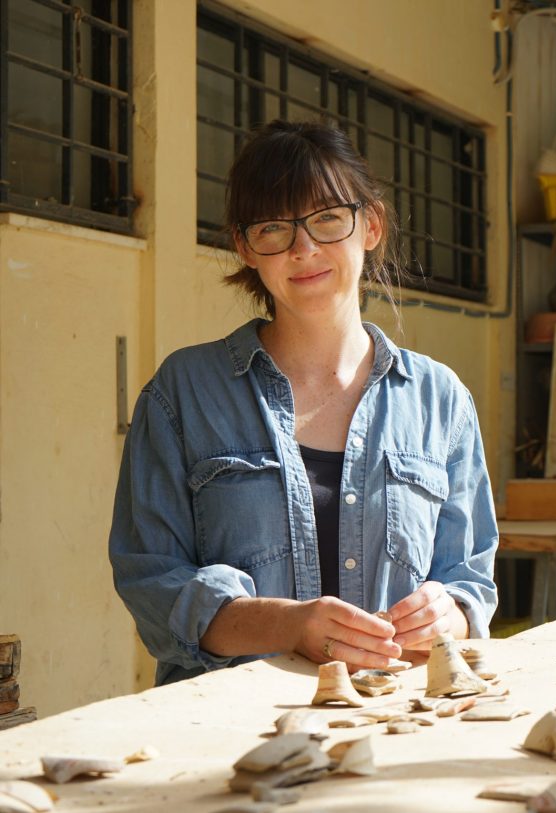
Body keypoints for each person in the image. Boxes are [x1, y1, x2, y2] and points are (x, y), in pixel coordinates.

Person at [109, 120, 498, 685]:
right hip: (227, 736)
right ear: (246, 248)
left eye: (327, 219)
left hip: (393, 723)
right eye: (273, 228)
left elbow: (470, 580)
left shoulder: (442, 401)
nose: (304, 248)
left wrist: (449, 615)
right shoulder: (183, 392)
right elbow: (150, 578)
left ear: (371, 226)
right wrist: (287, 624)